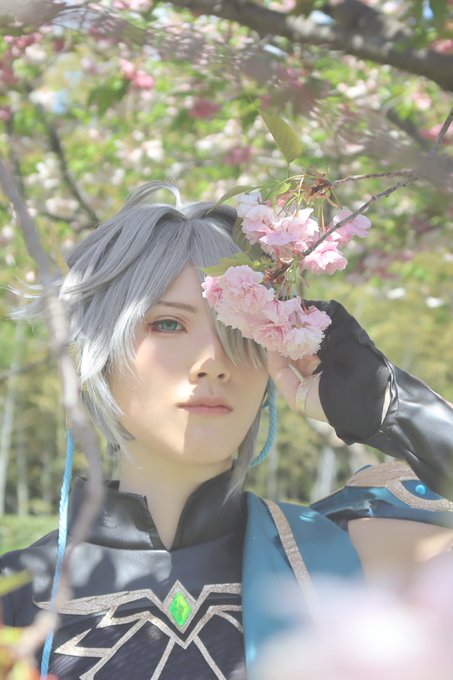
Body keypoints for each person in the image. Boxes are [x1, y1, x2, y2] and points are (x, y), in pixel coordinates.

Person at [1, 181, 453, 680]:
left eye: (239, 329)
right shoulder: (17, 596)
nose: (213, 362)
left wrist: (394, 407)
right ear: (97, 355)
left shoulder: (354, 555)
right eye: (168, 324)